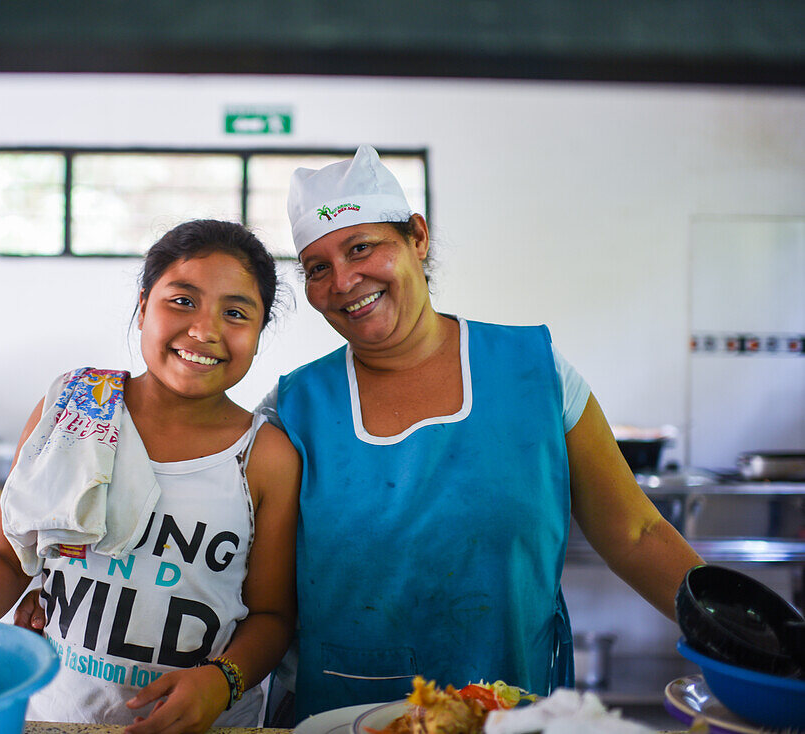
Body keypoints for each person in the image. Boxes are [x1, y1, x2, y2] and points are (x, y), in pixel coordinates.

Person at [253, 145, 705, 720]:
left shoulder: (533, 373)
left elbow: (637, 534)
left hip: (511, 712)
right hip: (341, 714)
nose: (343, 281)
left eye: (362, 247)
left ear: (417, 237)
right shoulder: (294, 411)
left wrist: (747, 638)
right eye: (317, 268)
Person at [0, 220, 301, 734]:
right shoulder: (72, 407)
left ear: (260, 333)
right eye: (182, 301)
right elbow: (6, 556)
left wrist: (222, 681)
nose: (206, 330)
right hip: (58, 716)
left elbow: (272, 616)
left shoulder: (265, 455)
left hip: (208, 725)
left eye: (236, 313)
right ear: (141, 306)